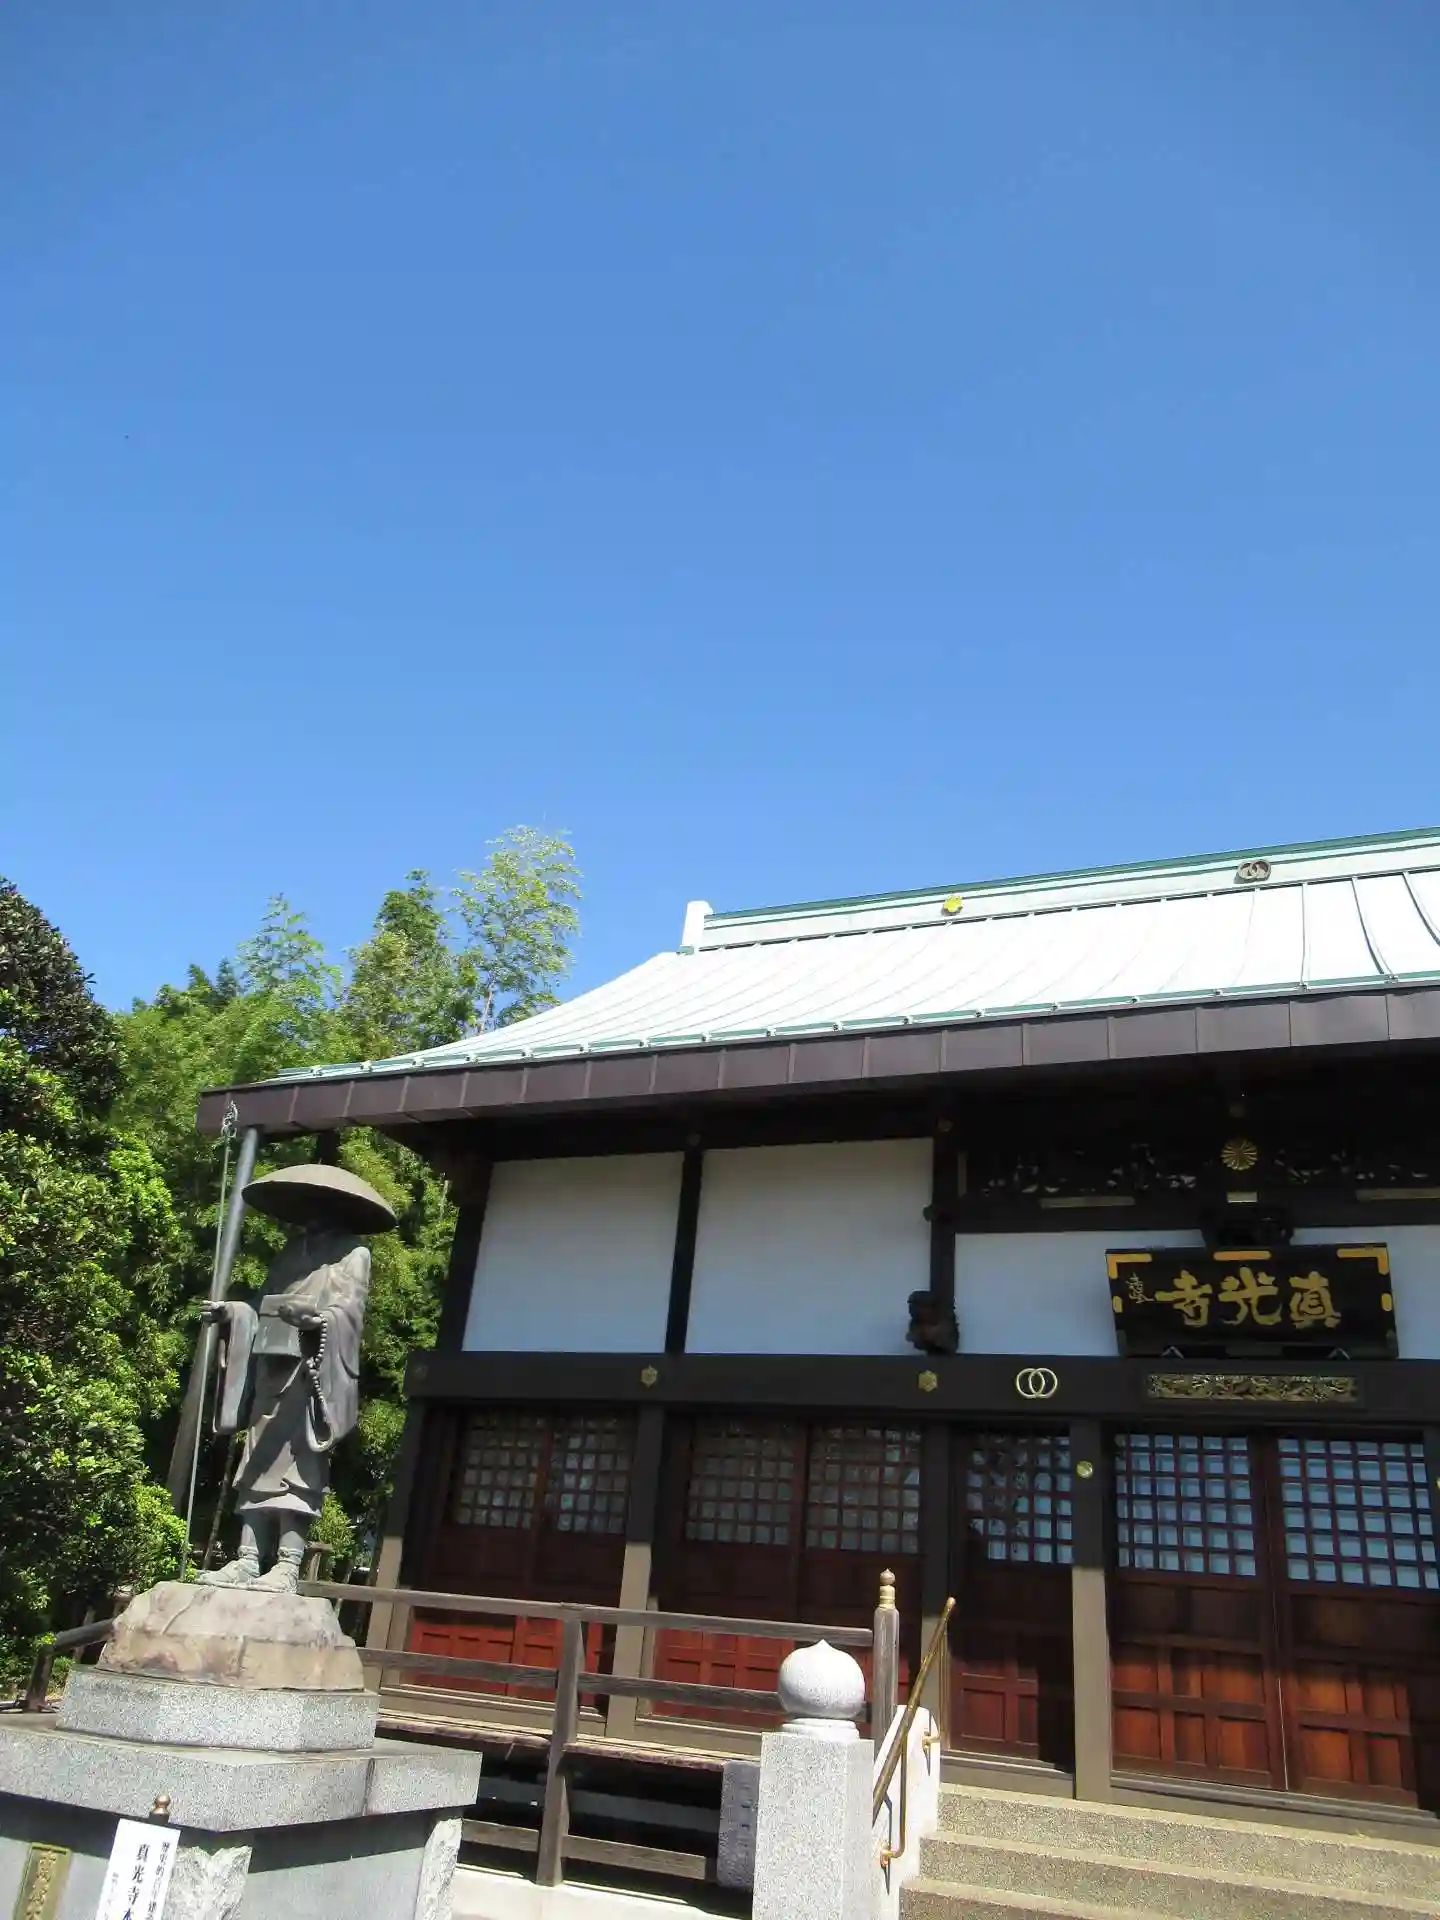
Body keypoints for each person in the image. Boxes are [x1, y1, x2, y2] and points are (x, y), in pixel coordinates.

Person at [197, 1164, 394, 1593]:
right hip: (271, 1368)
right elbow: (259, 1307)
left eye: (323, 1204)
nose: (313, 1213)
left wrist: (316, 1320)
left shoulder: (353, 1253)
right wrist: (232, 1312)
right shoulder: (289, 1253)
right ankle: (247, 1558)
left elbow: (349, 1312)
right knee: (255, 1459)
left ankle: (287, 1563)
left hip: (311, 1373)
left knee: (300, 1466)